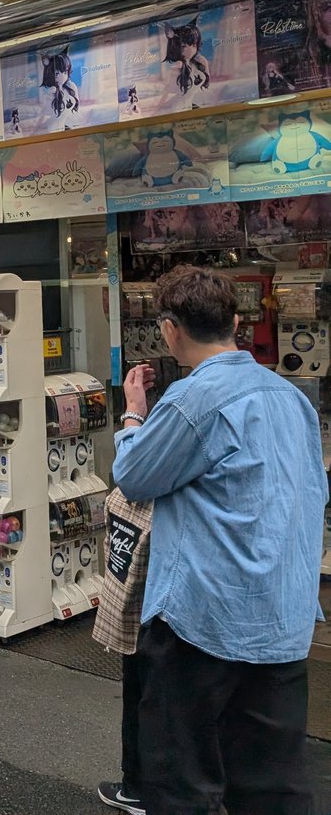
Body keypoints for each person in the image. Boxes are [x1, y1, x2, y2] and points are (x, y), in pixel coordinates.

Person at [114, 265, 325, 815]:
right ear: (235, 322)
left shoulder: (193, 399)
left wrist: (133, 417)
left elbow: (136, 475)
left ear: (168, 329)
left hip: (202, 620)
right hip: (282, 618)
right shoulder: (291, 397)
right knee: (271, 784)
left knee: (182, 780)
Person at [91, 488, 154, 815]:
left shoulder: (155, 454)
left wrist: (131, 435)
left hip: (149, 607)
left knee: (141, 693)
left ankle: (137, 788)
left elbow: (131, 476)